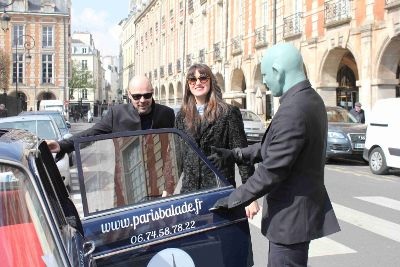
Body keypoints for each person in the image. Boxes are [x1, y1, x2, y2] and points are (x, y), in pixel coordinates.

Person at [209, 44, 340, 267]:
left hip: (291, 220)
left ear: (278, 71)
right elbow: (273, 146)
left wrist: (234, 199)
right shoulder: (309, 99)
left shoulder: (293, 109)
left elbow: (272, 170)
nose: (265, 82)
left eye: (266, 75)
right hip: (298, 214)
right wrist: (235, 154)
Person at [175, 63, 257, 267]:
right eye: (192, 79)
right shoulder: (181, 116)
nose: (198, 82)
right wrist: (167, 188)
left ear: (211, 81)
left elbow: (242, 156)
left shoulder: (228, 113)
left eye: (203, 78)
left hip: (221, 194)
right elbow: (177, 158)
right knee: (196, 253)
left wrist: (250, 196)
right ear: (188, 85)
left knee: (225, 253)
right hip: (190, 195)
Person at [47, 75, 175, 155]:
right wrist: (61, 145)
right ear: (129, 95)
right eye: (136, 96)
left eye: (147, 95)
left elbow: (176, 148)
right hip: (126, 182)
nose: (142, 100)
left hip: (159, 181)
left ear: (152, 92)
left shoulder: (166, 114)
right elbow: (91, 134)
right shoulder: (117, 114)